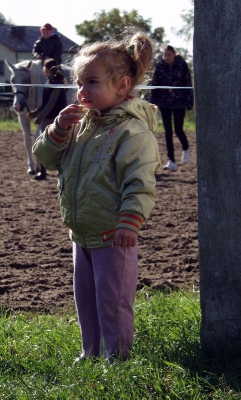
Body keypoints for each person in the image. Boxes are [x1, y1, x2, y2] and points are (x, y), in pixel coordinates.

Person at [33, 28, 161, 362]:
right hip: (82, 233)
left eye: (91, 82)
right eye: (79, 82)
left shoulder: (132, 132)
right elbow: (46, 158)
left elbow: (140, 183)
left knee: (112, 301)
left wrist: (129, 223)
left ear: (122, 86)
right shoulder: (80, 123)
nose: (82, 90)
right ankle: (90, 352)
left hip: (114, 235)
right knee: (86, 299)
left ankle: (116, 359)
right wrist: (57, 130)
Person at [149, 45, 194, 170]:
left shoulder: (182, 65)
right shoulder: (160, 66)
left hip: (179, 102)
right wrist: (153, 101)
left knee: (178, 130)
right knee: (168, 132)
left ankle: (186, 148)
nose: (166, 57)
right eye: (165, 55)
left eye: (169, 54)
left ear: (174, 54)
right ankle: (171, 161)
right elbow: (155, 84)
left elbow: (188, 84)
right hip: (164, 103)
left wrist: (189, 102)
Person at [29, 58, 67, 180]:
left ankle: (46, 172)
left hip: (54, 118)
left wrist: (40, 117)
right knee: (45, 144)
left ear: (48, 69)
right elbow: (46, 102)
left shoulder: (57, 82)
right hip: (50, 116)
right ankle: (43, 171)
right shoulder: (50, 81)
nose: (43, 69)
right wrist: (36, 112)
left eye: (44, 67)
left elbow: (51, 102)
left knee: (47, 144)